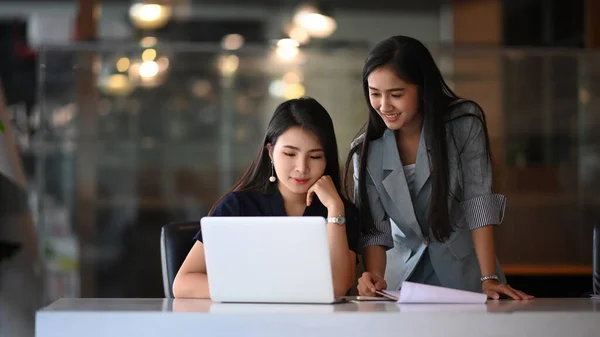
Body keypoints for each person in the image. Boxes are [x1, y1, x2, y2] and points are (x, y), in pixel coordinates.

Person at [345, 35, 532, 300]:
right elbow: (375, 229)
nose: (384, 106)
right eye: (375, 94)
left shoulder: (463, 124)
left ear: (422, 87)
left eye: (396, 94)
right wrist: (376, 276)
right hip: (402, 282)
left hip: (468, 277)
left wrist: (488, 277)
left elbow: (478, 202)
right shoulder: (366, 150)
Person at [173, 97, 359, 298]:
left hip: (314, 327)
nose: (302, 168)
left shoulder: (340, 212)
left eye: (315, 157)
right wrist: (264, 290)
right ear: (270, 151)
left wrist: (334, 208)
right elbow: (184, 283)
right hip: (247, 326)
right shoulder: (238, 206)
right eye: (289, 154)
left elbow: (338, 287)